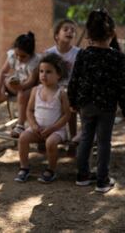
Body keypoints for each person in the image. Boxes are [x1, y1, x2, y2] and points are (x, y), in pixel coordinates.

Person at [68, 9, 125, 193]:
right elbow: (122, 86)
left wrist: (72, 100)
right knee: (104, 142)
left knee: (86, 137)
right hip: (107, 107)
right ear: (111, 34)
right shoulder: (118, 57)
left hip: (85, 105)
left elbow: (74, 80)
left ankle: (82, 176)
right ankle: (102, 181)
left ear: (89, 35)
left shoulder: (83, 55)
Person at [15, 53, 71, 183]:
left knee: (50, 143)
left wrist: (52, 128)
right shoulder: (36, 90)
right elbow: (29, 110)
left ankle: (51, 170)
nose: (43, 75)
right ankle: (24, 167)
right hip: (37, 129)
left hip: (56, 131)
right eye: (41, 71)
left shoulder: (61, 93)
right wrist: (33, 125)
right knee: (23, 137)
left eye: (48, 72)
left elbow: (66, 115)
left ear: (59, 75)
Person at [0, 31, 40, 138]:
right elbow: (3, 72)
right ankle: (1, 94)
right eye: (17, 55)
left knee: (21, 94)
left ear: (30, 54)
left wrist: (21, 87)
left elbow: (32, 80)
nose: (19, 58)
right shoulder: (12, 55)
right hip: (16, 84)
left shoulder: (35, 61)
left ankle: (20, 125)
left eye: (23, 56)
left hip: (29, 88)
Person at [44, 19, 80, 155]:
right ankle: (43, 137)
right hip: (52, 88)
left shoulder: (78, 53)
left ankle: (73, 142)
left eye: (72, 30)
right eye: (66, 29)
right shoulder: (49, 53)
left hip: (71, 89)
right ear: (56, 35)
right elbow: (44, 74)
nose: (70, 31)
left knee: (70, 106)